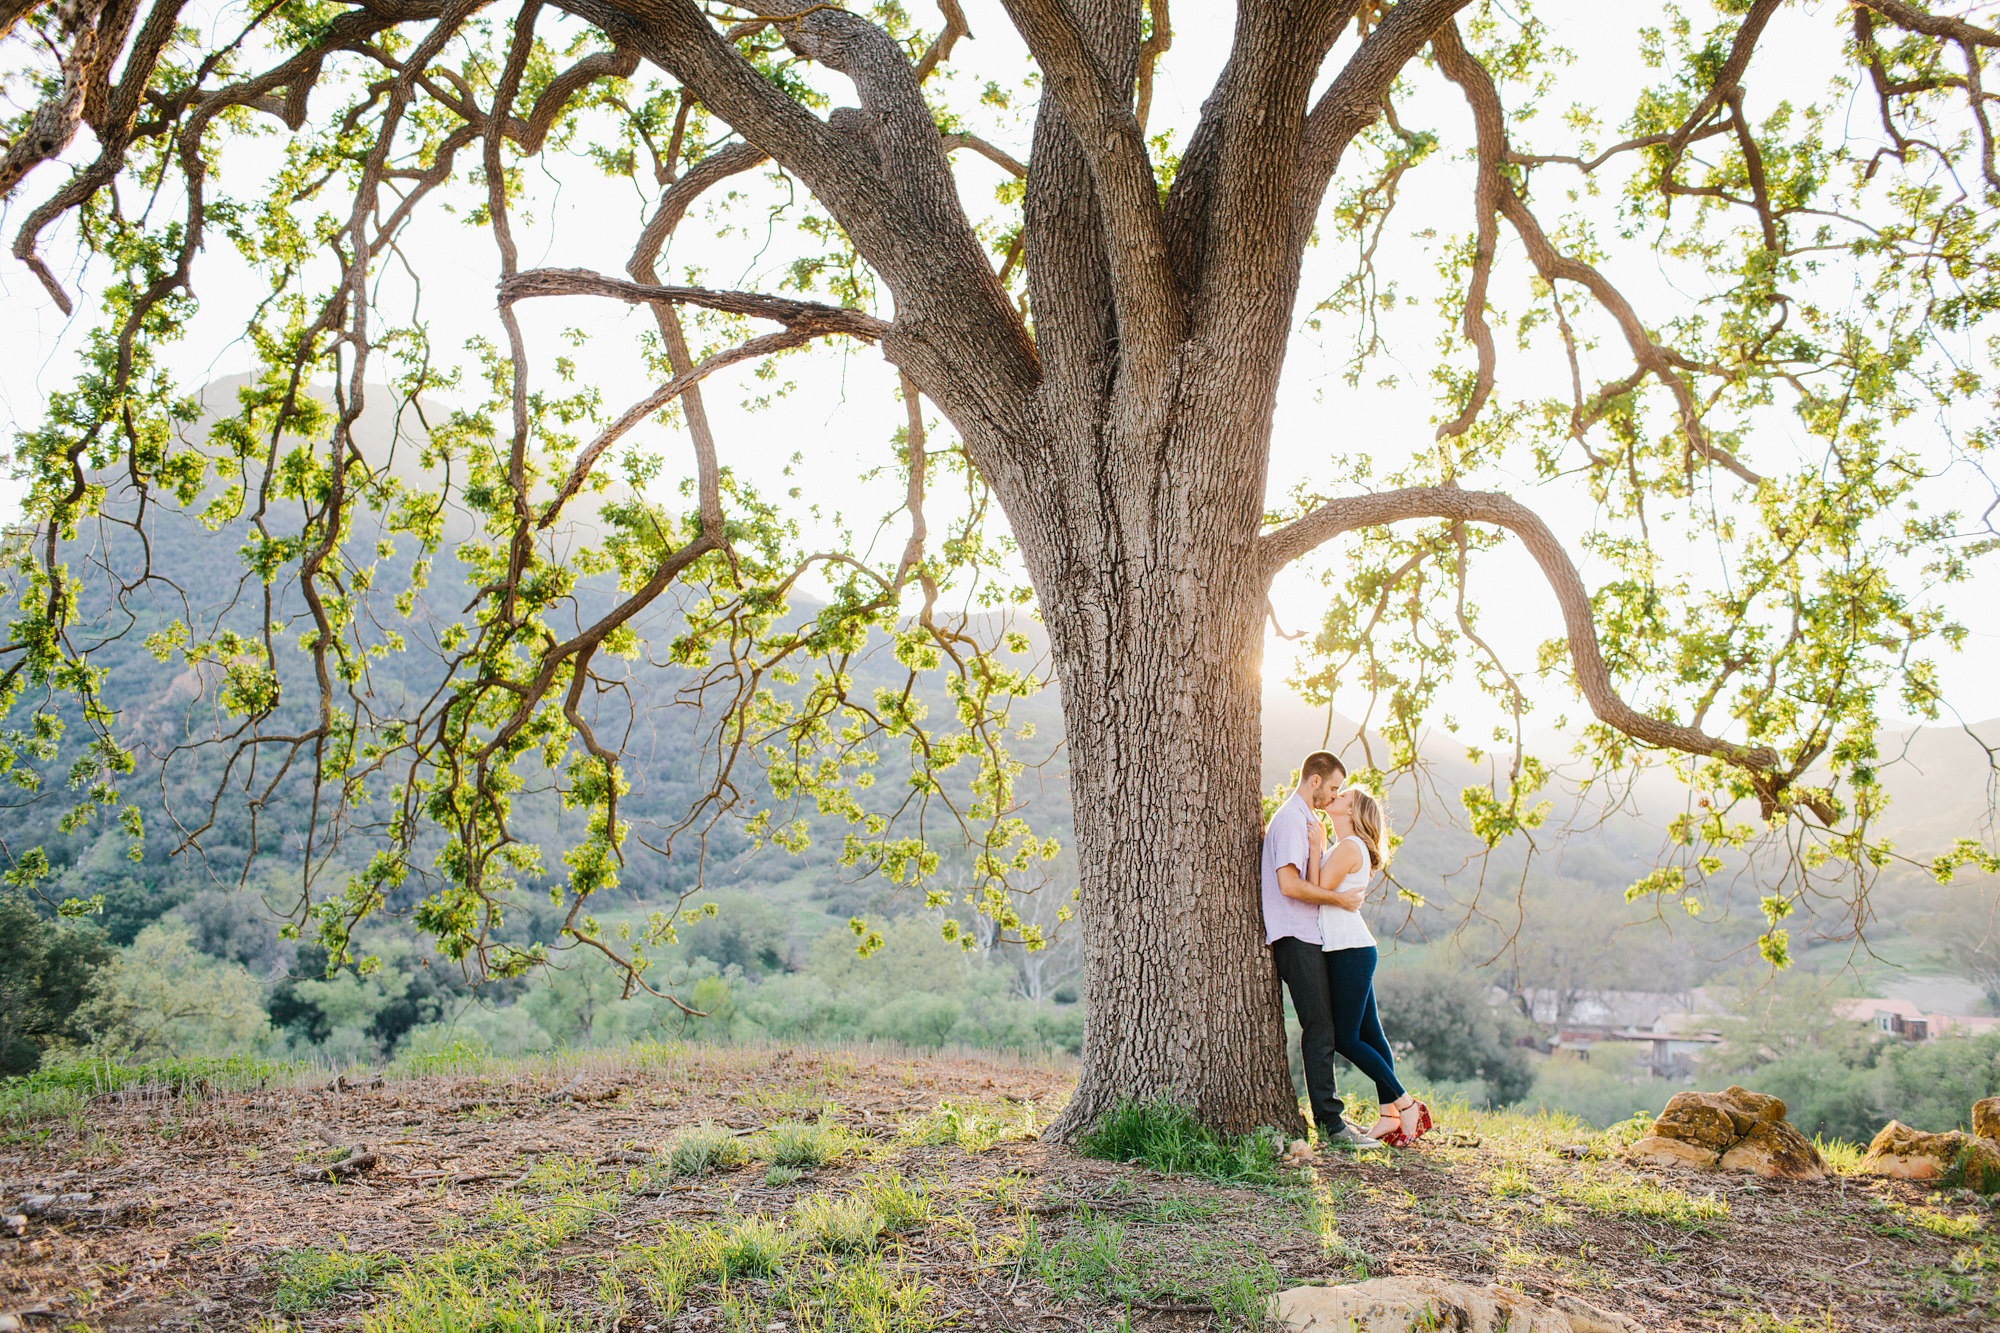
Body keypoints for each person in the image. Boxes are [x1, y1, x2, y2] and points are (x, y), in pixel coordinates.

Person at [1261, 750, 1370, 1148]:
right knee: (1321, 1026)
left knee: (1326, 1024)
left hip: (1311, 934)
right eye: (1334, 788)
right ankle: (1331, 1123)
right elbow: (1289, 886)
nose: (1334, 795)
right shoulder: (1291, 818)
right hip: (1294, 935)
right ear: (1315, 781)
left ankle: (1332, 1118)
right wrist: (1339, 900)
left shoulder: (1307, 821)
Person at [1310, 785, 1429, 1146]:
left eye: (1343, 794)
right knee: (1372, 1036)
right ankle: (1388, 1116)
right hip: (1352, 947)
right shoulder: (1346, 846)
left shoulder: (1347, 847)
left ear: (1353, 809)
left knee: (1346, 1039)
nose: (1335, 795)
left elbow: (1316, 887)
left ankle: (1407, 1105)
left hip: (1349, 950)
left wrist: (1316, 844)